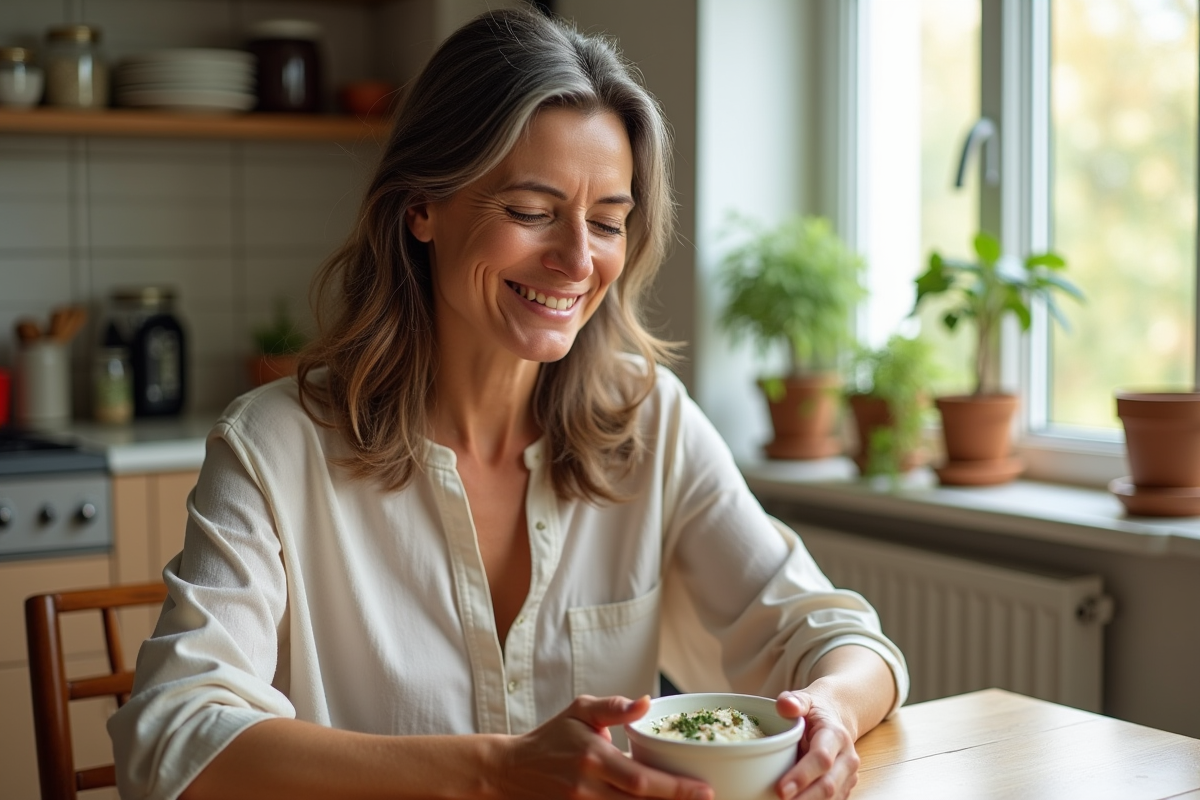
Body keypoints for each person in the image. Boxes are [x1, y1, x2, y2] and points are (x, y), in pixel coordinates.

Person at [109, 8, 908, 800]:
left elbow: (838, 639)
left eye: (607, 222)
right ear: (421, 207)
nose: (575, 259)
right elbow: (172, 738)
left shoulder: (648, 420)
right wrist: (495, 771)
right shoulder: (272, 446)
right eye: (531, 213)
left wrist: (830, 713)